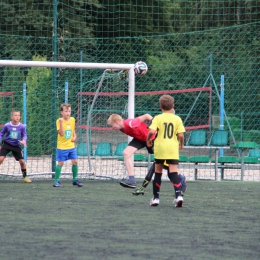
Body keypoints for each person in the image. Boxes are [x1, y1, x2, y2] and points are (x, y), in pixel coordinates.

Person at [147, 95, 185, 207]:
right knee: (173, 171)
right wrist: (181, 143)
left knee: (158, 172)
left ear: (160, 106)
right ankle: (178, 196)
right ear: (173, 106)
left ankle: (156, 198)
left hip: (160, 148)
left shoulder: (157, 118)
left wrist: (148, 140)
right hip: (172, 148)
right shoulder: (177, 119)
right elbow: (181, 135)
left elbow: (151, 131)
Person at [107, 113, 155, 188]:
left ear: (117, 122)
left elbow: (146, 116)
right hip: (139, 139)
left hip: (152, 138)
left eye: (112, 125)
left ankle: (178, 178)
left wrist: (157, 125)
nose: (112, 128)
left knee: (164, 161)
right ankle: (131, 180)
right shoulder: (121, 128)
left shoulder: (130, 123)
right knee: (126, 153)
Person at [53, 103, 83, 187]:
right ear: (61, 112)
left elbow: (73, 130)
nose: (68, 113)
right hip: (62, 147)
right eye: (66, 111)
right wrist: (62, 123)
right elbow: (61, 133)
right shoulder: (59, 121)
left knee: (75, 161)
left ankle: (75, 180)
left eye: (69, 111)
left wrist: (75, 136)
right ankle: (56, 181)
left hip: (71, 146)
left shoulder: (72, 119)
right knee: (61, 163)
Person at [0, 110, 31, 183]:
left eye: (19, 115)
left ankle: (25, 177)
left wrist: (24, 140)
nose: (17, 117)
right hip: (7, 144)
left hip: (17, 145)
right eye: (15, 115)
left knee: (22, 162)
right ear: (11, 117)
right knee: (1, 159)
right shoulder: (7, 125)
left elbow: (24, 135)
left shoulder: (22, 126)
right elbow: (1, 134)